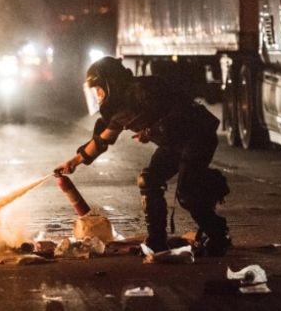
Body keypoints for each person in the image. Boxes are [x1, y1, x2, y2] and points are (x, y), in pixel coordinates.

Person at [54, 56, 231, 256]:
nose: (99, 96)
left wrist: (153, 130)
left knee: (187, 194)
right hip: (172, 145)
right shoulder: (118, 110)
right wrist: (74, 162)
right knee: (149, 179)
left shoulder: (146, 90)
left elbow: (182, 110)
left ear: (111, 82)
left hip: (197, 137)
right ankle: (157, 241)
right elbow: (102, 140)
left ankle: (218, 234)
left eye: (100, 89)